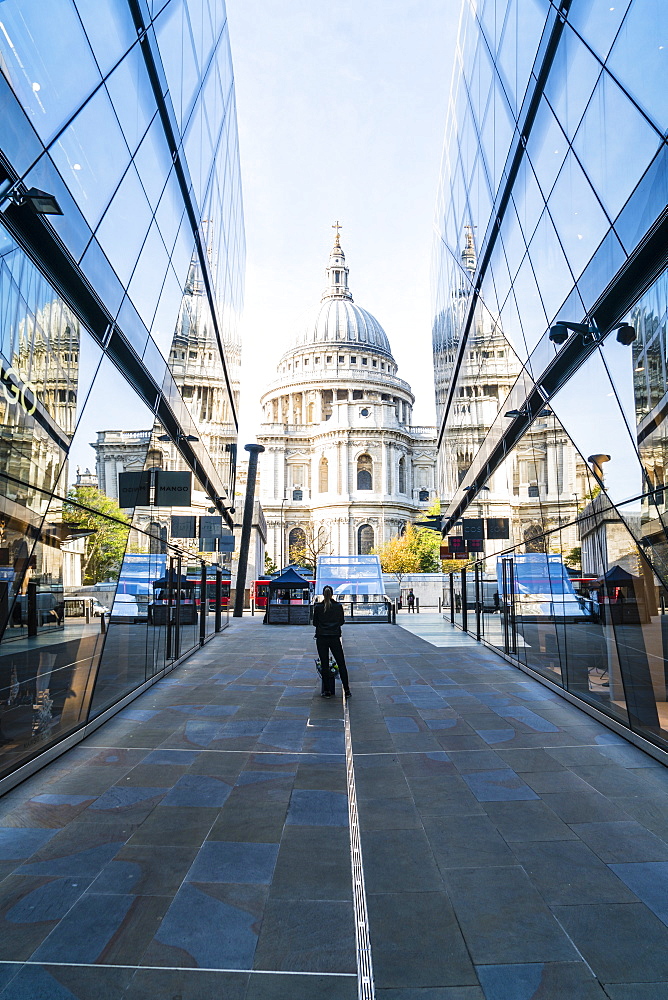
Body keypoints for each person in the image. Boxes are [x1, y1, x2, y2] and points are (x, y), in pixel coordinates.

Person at [313, 585, 351, 699]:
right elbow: (341, 621)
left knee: (324, 664)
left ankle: (327, 691)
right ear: (332, 594)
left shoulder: (318, 607)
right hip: (334, 637)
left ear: (323, 594)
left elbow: (315, 622)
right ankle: (347, 689)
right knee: (341, 663)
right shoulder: (338, 606)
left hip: (321, 637)